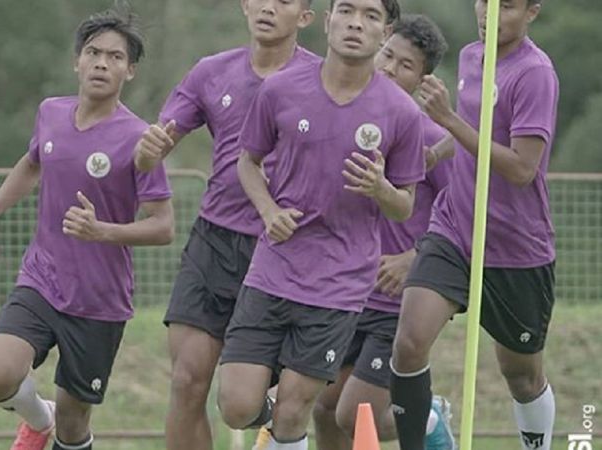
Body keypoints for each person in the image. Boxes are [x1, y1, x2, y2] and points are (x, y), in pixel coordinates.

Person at [216, 0, 427, 448]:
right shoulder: (279, 90)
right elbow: (247, 162)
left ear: (385, 31)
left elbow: (404, 206)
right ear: (328, 20)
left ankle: (286, 434)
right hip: (273, 269)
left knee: (295, 411)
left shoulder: (400, 112)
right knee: (236, 406)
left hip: (339, 282)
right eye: (346, 10)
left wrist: (380, 188)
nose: (356, 22)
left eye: (370, 15)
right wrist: (269, 211)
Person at [0, 6, 174, 450]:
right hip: (42, 277)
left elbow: (163, 227)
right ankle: (36, 419)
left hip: (99, 300)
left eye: (115, 57)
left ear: (130, 71)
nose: (102, 63)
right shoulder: (50, 113)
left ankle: (56, 426)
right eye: (94, 52)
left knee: (74, 424)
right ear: (76, 61)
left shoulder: (140, 138)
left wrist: (104, 231)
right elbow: (31, 164)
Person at [133, 0, 320, 448]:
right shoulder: (210, 72)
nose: (269, 8)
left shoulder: (322, 78)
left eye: (285, 1)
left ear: (307, 18)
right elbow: (150, 152)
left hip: (287, 249)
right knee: (186, 380)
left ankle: (277, 424)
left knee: (249, 402)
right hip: (214, 242)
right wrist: (148, 151)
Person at [390, 1, 559, 450]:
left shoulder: (534, 73)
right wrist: (437, 152)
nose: (489, 13)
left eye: (506, 6)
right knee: (409, 343)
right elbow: (475, 130)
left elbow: (522, 167)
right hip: (454, 231)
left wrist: (446, 118)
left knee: (522, 377)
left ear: (531, 13)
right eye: (483, 3)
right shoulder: (471, 56)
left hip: (515, 247)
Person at [310, 14, 455, 450]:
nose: (390, 68)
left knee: (355, 415)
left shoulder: (431, 137)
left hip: (398, 304)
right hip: (346, 292)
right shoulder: (349, 121)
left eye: (405, 65)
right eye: (388, 55)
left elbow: (465, 216)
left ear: (423, 80)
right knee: (322, 410)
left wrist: (417, 256)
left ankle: (427, 413)